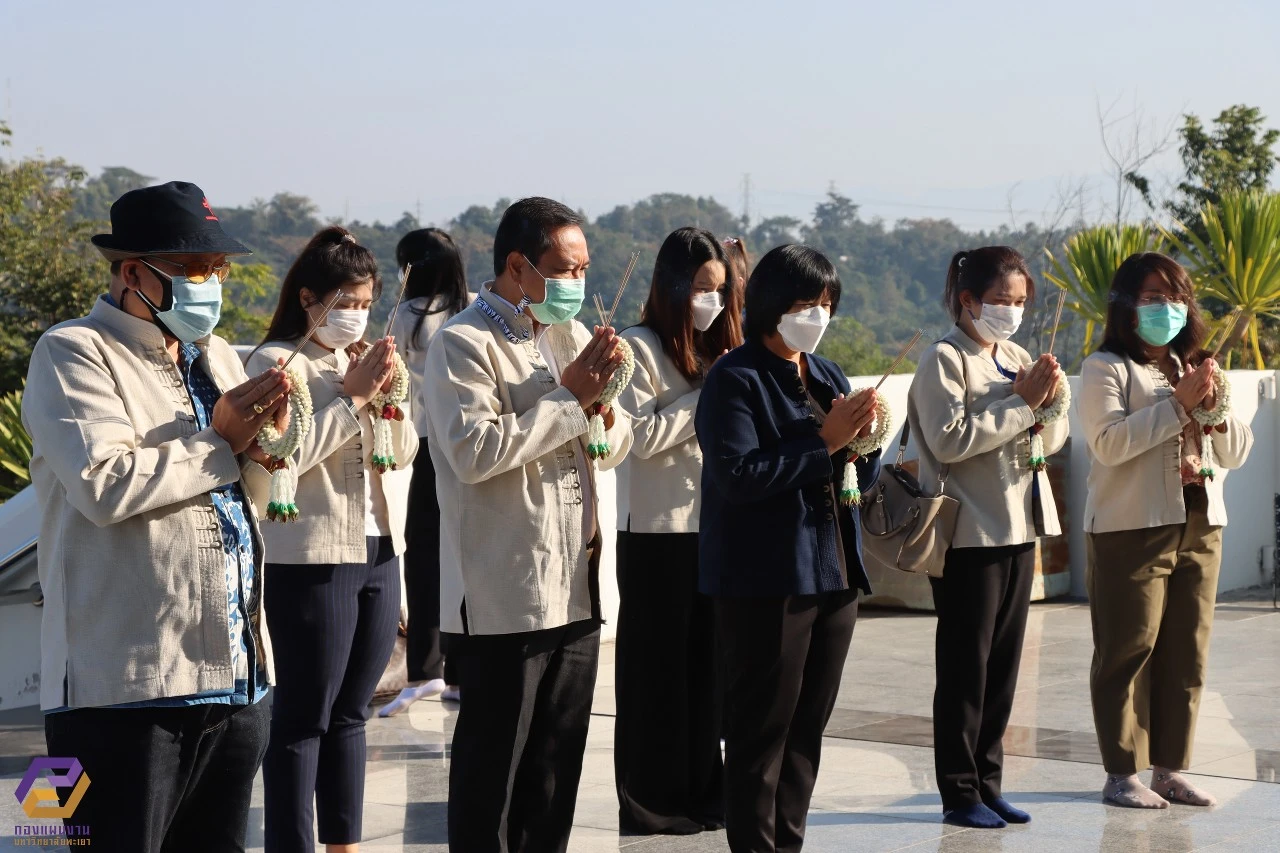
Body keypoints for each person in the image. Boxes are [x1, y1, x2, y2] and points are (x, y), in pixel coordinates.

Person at [23, 181, 288, 852]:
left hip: (237, 680)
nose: (212, 284)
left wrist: (263, 449)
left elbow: (242, 500)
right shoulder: (74, 351)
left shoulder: (216, 355)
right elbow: (103, 485)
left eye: (217, 269)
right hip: (125, 690)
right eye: (194, 269)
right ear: (131, 271)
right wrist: (221, 441)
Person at [423, 197, 633, 853]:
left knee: (553, 774)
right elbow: (473, 451)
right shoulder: (462, 342)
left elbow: (616, 442)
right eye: (563, 270)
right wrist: (569, 398)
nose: (576, 284)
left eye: (583, 269)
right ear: (518, 266)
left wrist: (600, 406)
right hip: (503, 596)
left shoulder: (566, 336)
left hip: (577, 584)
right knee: (493, 777)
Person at [696, 244, 880, 852]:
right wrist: (826, 442)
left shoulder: (825, 373)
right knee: (759, 735)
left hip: (833, 575)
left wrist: (864, 444)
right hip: (767, 579)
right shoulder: (735, 378)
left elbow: (853, 480)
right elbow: (738, 477)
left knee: (807, 732)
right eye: (806, 304)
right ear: (773, 305)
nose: (818, 317)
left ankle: (789, 844)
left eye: (827, 305)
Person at [248, 226, 418, 853]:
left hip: (379, 548)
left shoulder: (362, 361)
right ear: (308, 300)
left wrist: (390, 398)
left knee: (354, 711)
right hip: (315, 555)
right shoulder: (275, 363)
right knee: (303, 715)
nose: (354, 316)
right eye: (343, 302)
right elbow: (281, 459)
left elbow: (401, 455)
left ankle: (343, 843)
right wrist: (351, 400)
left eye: (365, 302)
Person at [1079, 252, 1252, 809]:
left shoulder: (1197, 364)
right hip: (1132, 527)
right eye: (1152, 297)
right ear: (1126, 305)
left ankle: (1170, 769)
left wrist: (1215, 411)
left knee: (1187, 652)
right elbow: (1108, 444)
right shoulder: (1105, 367)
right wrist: (1178, 406)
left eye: (1175, 297)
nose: (1166, 308)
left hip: (1201, 523)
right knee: (1127, 650)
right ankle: (1121, 772)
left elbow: (1237, 451)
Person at [907, 246, 1067, 828]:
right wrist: (1024, 405)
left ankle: (989, 781)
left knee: (1002, 667)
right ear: (969, 300)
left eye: (1021, 301)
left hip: (1017, 528)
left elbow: (1051, 435)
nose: (1012, 311)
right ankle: (958, 790)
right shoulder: (944, 359)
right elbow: (948, 440)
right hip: (968, 531)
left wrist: (1048, 409)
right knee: (964, 668)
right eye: (1001, 301)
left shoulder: (1018, 354)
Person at [613, 227, 743, 835]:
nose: (709, 300)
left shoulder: (722, 351)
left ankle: (703, 792)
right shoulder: (639, 348)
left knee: (706, 676)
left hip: (714, 528)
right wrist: (708, 397)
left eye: (718, 289)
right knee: (656, 675)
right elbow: (637, 437)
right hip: (656, 533)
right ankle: (651, 800)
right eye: (699, 288)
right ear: (671, 287)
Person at [378, 227, 474, 716]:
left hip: (425, 444)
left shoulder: (410, 316)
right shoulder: (471, 309)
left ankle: (425, 670)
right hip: (467, 446)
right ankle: (459, 670)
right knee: (462, 557)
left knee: (423, 555)